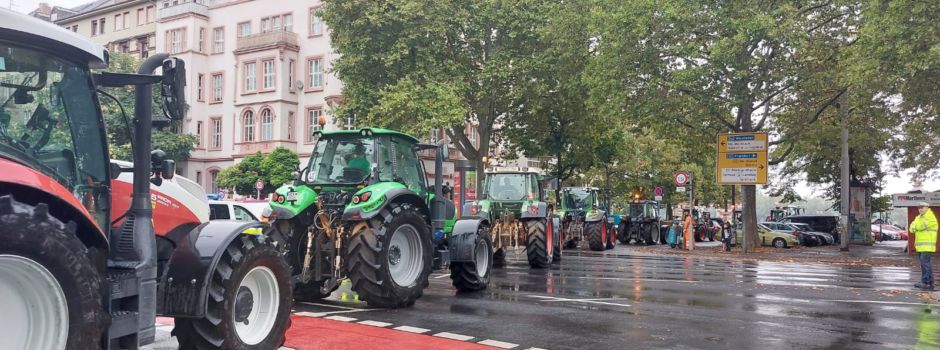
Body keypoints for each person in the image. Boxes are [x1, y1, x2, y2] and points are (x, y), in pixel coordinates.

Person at [910, 202, 937, 291]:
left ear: (927, 207)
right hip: (921, 246)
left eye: (922, 207)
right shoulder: (918, 217)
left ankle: (925, 282)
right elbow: (911, 228)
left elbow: (920, 226)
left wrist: (916, 226)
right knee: (925, 264)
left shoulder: (930, 217)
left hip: (927, 246)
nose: (920, 209)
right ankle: (930, 281)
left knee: (925, 264)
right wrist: (915, 227)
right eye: (919, 208)